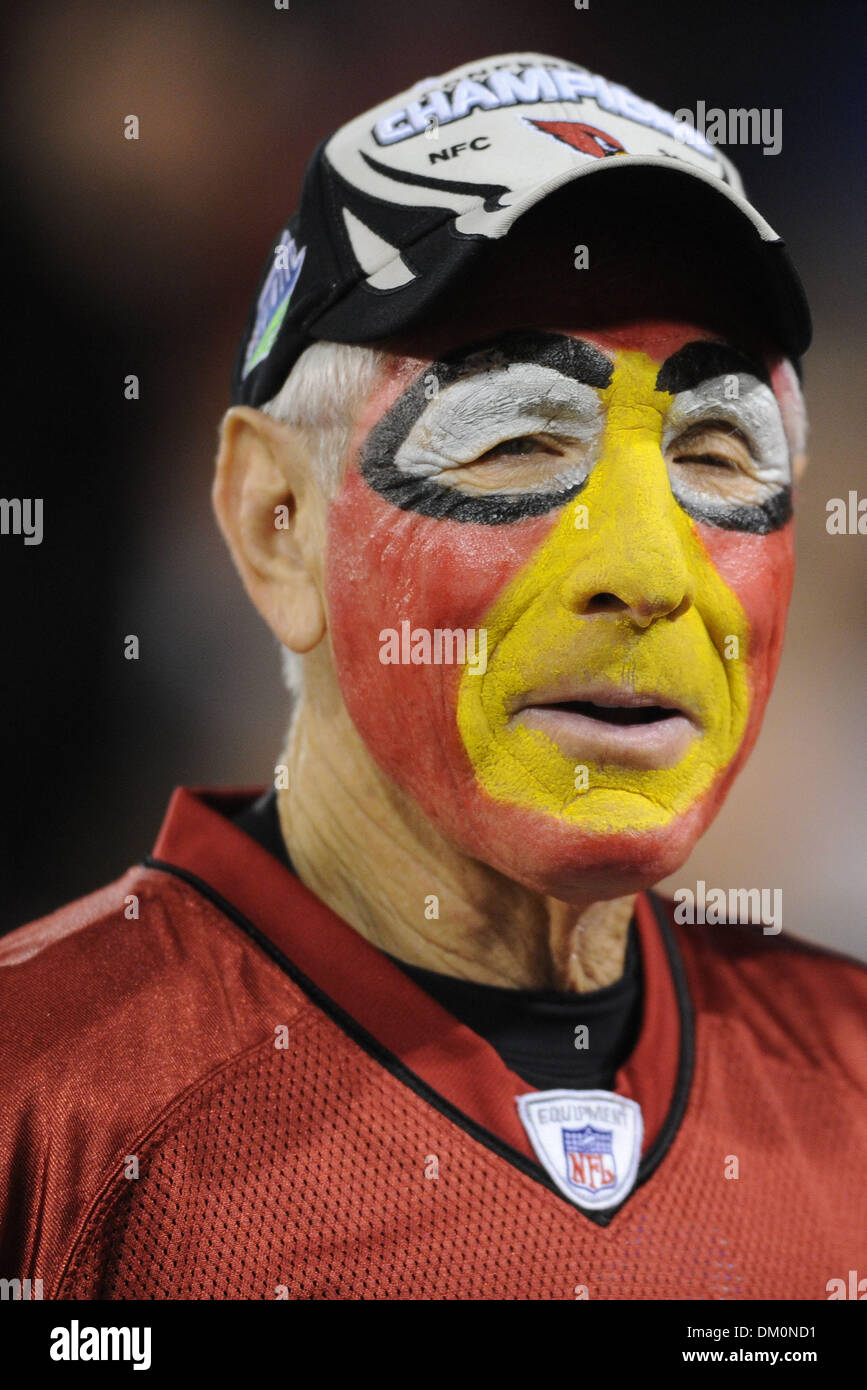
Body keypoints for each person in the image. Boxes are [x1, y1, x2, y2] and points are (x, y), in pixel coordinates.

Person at [1, 51, 864, 1302]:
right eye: (517, 439)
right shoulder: (40, 1108)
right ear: (274, 524)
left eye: (719, 451)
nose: (649, 570)